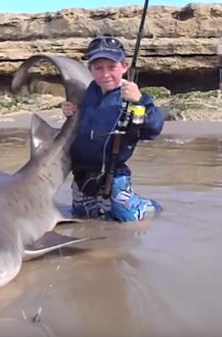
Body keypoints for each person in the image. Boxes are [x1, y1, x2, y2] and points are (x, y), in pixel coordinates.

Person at [61, 36, 164, 222]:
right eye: (98, 68)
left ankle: (149, 206)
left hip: (114, 173)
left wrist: (139, 100)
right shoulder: (86, 94)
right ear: (90, 69)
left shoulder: (134, 96)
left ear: (124, 66)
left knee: (127, 218)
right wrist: (71, 111)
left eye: (112, 67)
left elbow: (154, 128)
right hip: (82, 174)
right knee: (82, 219)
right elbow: (76, 129)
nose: (105, 74)